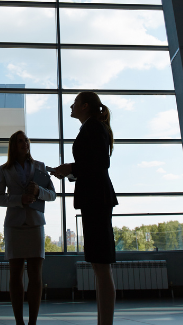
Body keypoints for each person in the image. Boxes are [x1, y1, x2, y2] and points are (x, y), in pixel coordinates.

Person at [51, 91, 117, 325]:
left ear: (85, 106)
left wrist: (72, 168)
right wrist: (71, 171)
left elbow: (100, 163)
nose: (71, 105)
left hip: (96, 199)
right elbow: (93, 164)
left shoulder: (93, 128)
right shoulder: (91, 128)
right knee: (100, 266)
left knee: (101, 266)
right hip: (95, 199)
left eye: (75, 102)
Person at [0, 131, 56, 325]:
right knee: (15, 273)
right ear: (13, 145)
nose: (25, 144)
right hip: (14, 224)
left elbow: (52, 194)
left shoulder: (40, 167)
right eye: (20, 141)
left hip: (35, 223)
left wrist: (39, 191)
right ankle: (19, 321)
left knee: (36, 274)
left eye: (26, 141)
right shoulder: (4, 169)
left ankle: (33, 322)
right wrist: (18, 199)